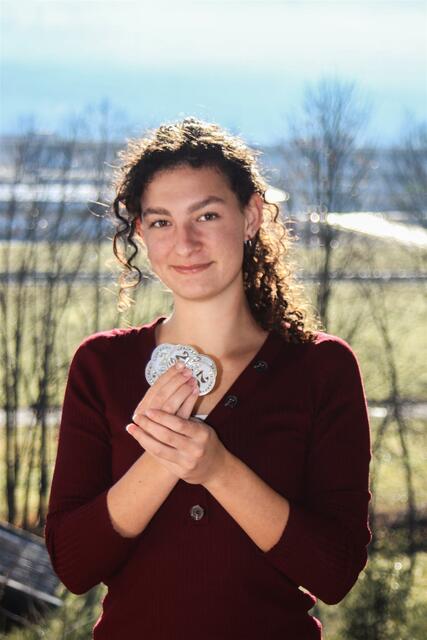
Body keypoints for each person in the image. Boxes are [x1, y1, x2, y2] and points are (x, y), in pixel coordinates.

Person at [45, 117, 372, 639]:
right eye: (160, 222)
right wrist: (162, 458)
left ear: (251, 216)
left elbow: (332, 572)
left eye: (207, 215)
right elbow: (74, 566)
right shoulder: (101, 367)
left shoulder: (321, 368)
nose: (185, 242)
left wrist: (217, 468)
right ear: (139, 234)